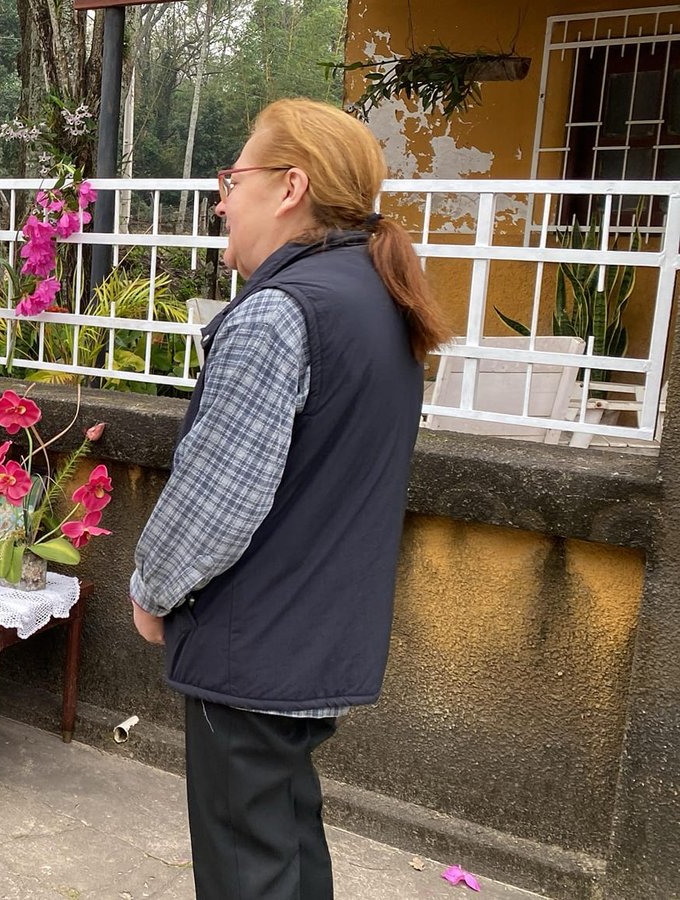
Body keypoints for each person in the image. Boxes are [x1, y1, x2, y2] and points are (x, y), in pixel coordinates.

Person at [127, 98, 447, 900]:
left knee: (247, 871)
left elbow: (219, 496)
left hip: (255, 648)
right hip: (318, 645)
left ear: (290, 186)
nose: (219, 200)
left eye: (232, 179)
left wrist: (150, 588)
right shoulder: (376, 297)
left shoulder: (280, 312)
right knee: (288, 847)